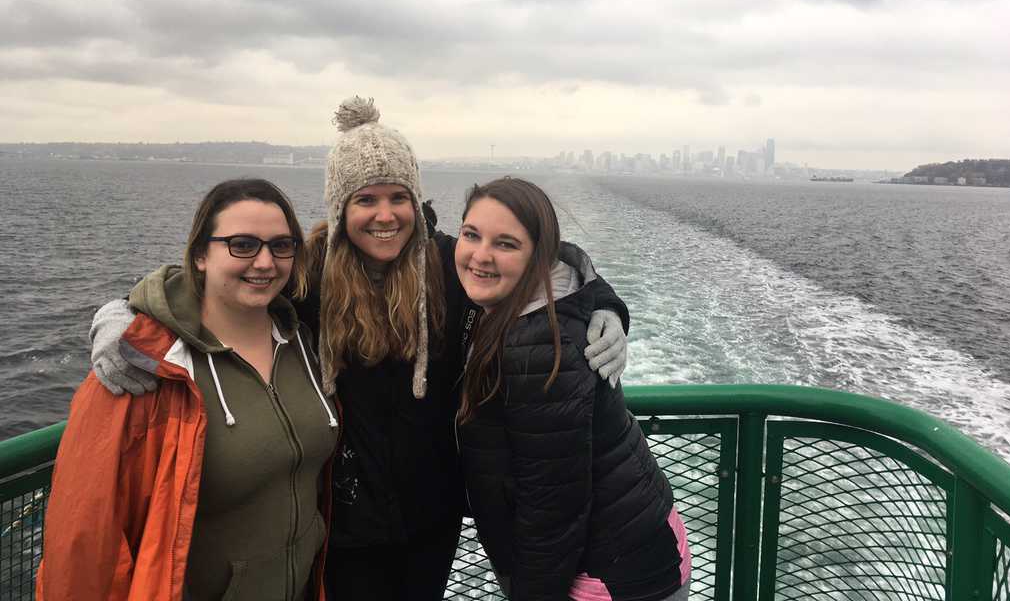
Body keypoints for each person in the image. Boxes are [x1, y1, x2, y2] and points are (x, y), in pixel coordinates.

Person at [87, 98, 630, 601]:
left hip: (432, 516)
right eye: (365, 199)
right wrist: (122, 314)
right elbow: (208, 285)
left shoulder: (450, 265)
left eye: (399, 198)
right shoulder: (307, 276)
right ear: (341, 207)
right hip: (342, 525)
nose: (385, 214)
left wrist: (600, 303)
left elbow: (539, 270)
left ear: (417, 202)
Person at [38, 179, 340, 601]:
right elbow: (85, 539)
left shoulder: (302, 343)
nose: (266, 262)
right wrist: (118, 312)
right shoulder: (143, 368)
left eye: (281, 245)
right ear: (200, 254)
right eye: (242, 244)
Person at [455, 177, 692, 601]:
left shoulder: (539, 349)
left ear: (537, 258)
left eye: (506, 244)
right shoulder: (524, 303)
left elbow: (552, 512)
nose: (480, 255)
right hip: (633, 544)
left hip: (612, 573)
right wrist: (607, 302)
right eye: (471, 235)